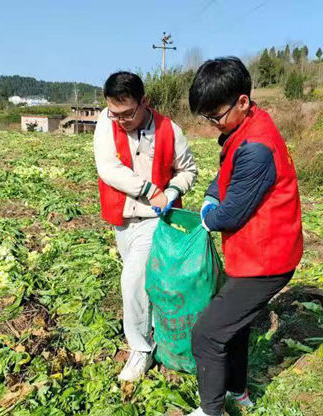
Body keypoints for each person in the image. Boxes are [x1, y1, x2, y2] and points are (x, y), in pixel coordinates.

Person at [186, 57, 303, 416]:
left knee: (206, 333)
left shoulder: (256, 147)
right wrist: (210, 192)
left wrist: (208, 216)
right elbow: (226, 174)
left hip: (267, 261)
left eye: (216, 115)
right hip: (257, 251)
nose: (213, 124)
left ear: (242, 101)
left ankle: (211, 411)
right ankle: (238, 392)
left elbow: (231, 214)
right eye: (206, 117)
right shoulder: (246, 126)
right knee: (232, 328)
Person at [93, 71, 197, 381]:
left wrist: (172, 192)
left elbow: (188, 170)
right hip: (123, 220)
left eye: (127, 113)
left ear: (145, 103)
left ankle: (140, 349)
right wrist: (151, 188)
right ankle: (155, 330)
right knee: (141, 282)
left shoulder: (170, 130)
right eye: (115, 113)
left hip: (156, 221)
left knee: (132, 281)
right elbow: (108, 168)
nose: (121, 120)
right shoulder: (105, 123)